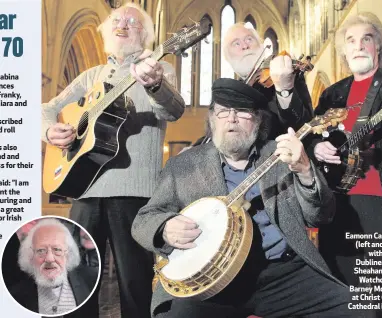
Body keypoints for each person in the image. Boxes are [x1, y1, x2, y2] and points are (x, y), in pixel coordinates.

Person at [131, 78, 356, 318]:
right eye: (223, 111)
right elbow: (143, 220)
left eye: (242, 112)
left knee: (354, 309)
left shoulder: (282, 155)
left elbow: (320, 216)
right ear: (211, 119)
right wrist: (164, 228)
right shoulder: (184, 165)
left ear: (257, 121)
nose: (232, 118)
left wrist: (304, 170)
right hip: (213, 281)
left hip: (282, 272)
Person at [41, 2, 185, 318]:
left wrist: (155, 84)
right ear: (106, 30)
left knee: (134, 283)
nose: (122, 24)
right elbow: (46, 108)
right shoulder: (91, 76)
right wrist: (49, 130)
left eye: (132, 21)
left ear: (145, 34)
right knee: (76, 279)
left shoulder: (158, 66)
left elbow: (173, 110)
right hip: (85, 190)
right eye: (116, 19)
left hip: (133, 191)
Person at [309, 12, 382, 317]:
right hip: (339, 205)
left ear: (378, 46)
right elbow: (311, 135)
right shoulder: (332, 94)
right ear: (343, 52)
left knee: (381, 300)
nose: (358, 46)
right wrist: (317, 147)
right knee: (342, 295)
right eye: (351, 41)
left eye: (366, 38)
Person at [192, 23, 313, 147]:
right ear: (228, 57)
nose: (245, 46)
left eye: (249, 39)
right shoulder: (231, 92)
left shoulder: (286, 75)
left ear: (261, 45)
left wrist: (285, 89)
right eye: (236, 43)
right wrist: (193, 149)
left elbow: (305, 127)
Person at [8, 219, 98, 317]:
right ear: (31, 256)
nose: (49, 259)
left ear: (68, 254)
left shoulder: (91, 281)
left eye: (57, 250)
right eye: (41, 250)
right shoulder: (16, 296)